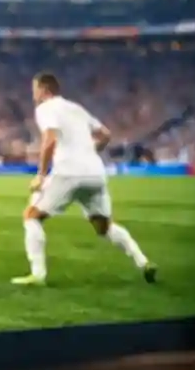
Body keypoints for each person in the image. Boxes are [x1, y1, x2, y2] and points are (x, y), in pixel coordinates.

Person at [14, 71, 155, 286]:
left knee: (31, 217)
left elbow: (49, 140)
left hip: (68, 172)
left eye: (34, 89)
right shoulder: (77, 108)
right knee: (104, 227)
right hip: (95, 173)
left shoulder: (45, 108)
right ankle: (143, 261)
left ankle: (38, 275)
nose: (33, 94)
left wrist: (41, 175)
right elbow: (106, 134)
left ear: (44, 90)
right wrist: (90, 152)